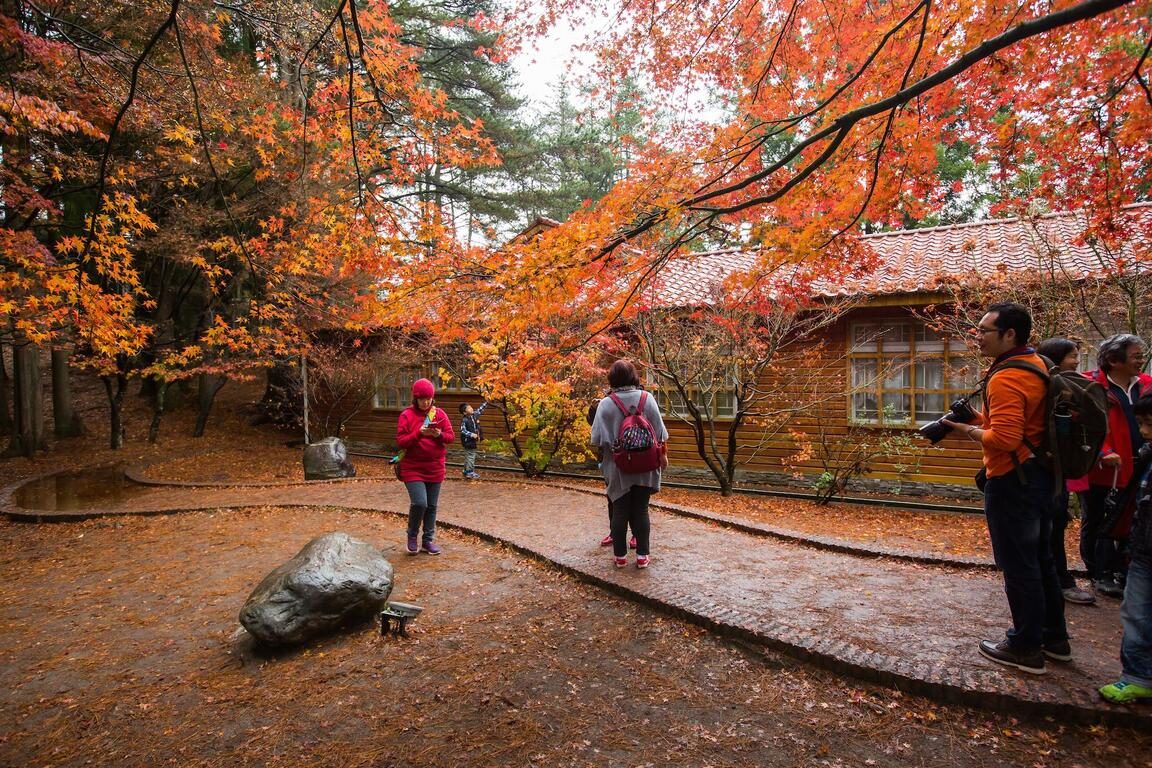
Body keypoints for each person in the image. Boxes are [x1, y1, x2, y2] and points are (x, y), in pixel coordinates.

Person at [943, 302, 1069, 674]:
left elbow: (1006, 439)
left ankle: (1025, 646)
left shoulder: (1007, 377)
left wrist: (965, 430)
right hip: (1042, 477)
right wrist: (978, 418)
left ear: (1010, 334)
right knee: (1042, 559)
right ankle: (1054, 638)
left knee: (1019, 565)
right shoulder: (1040, 366)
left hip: (1014, 482)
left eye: (984, 331)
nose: (977, 336)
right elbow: (1023, 429)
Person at [1080, 334, 1152, 598]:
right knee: (1100, 519)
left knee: (1133, 518)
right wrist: (1103, 452)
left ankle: (1123, 569)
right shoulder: (1090, 386)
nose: (1141, 360)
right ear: (1113, 360)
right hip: (1103, 468)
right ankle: (1099, 572)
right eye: (1135, 356)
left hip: (1140, 466)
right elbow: (1083, 427)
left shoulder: (1146, 385)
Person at [1099, 394, 1152, 704]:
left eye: (1149, 425)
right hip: (1143, 550)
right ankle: (1136, 676)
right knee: (1136, 612)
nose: (1144, 431)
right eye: (1142, 424)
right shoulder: (1146, 456)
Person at [1035, 337, 1095, 605]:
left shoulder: (1067, 386)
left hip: (1057, 468)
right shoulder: (1050, 387)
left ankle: (1053, 579)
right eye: (1072, 356)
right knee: (1051, 525)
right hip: (1045, 469)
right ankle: (1057, 581)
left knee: (1054, 524)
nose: (1077, 361)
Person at [590, 360, 668, 569]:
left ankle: (620, 557)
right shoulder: (647, 399)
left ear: (612, 379)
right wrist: (663, 457)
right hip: (646, 465)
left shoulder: (606, 404)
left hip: (618, 467)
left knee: (620, 510)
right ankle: (642, 556)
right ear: (634, 376)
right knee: (641, 510)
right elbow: (661, 434)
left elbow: (596, 439)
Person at [396, 378, 454, 555]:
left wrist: (439, 435)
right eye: (422, 399)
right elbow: (401, 441)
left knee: (431, 506)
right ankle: (412, 535)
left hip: (435, 467)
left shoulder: (440, 414)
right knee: (420, 503)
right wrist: (418, 434)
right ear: (415, 398)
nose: (426, 402)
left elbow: (450, 437)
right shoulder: (406, 415)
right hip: (412, 467)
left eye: (429, 398)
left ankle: (428, 540)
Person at [588, 400, 636, 551]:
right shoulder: (606, 402)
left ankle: (636, 534)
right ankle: (615, 533)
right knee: (612, 498)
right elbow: (593, 423)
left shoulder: (638, 398)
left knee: (635, 499)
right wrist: (593, 408)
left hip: (635, 456)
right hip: (610, 459)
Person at [458, 401, 487, 479]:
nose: (471, 408)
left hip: (472, 440)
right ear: (464, 412)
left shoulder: (474, 415)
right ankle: (470, 472)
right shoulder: (465, 420)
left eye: (470, 407)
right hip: (468, 440)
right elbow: (462, 430)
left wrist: (487, 401)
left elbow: (481, 409)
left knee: (469, 455)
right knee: (471, 455)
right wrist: (471, 434)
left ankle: (466, 470)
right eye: (468, 408)